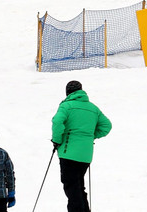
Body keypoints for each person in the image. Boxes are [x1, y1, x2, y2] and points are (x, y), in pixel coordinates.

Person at [51, 80, 112, 212]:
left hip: (68, 152)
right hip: (86, 154)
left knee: (71, 187)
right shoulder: (93, 108)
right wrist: (90, 136)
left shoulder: (66, 106)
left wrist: (57, 140)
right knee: (78, 186)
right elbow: (107, 126)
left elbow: (57, 122)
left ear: (67, 92)